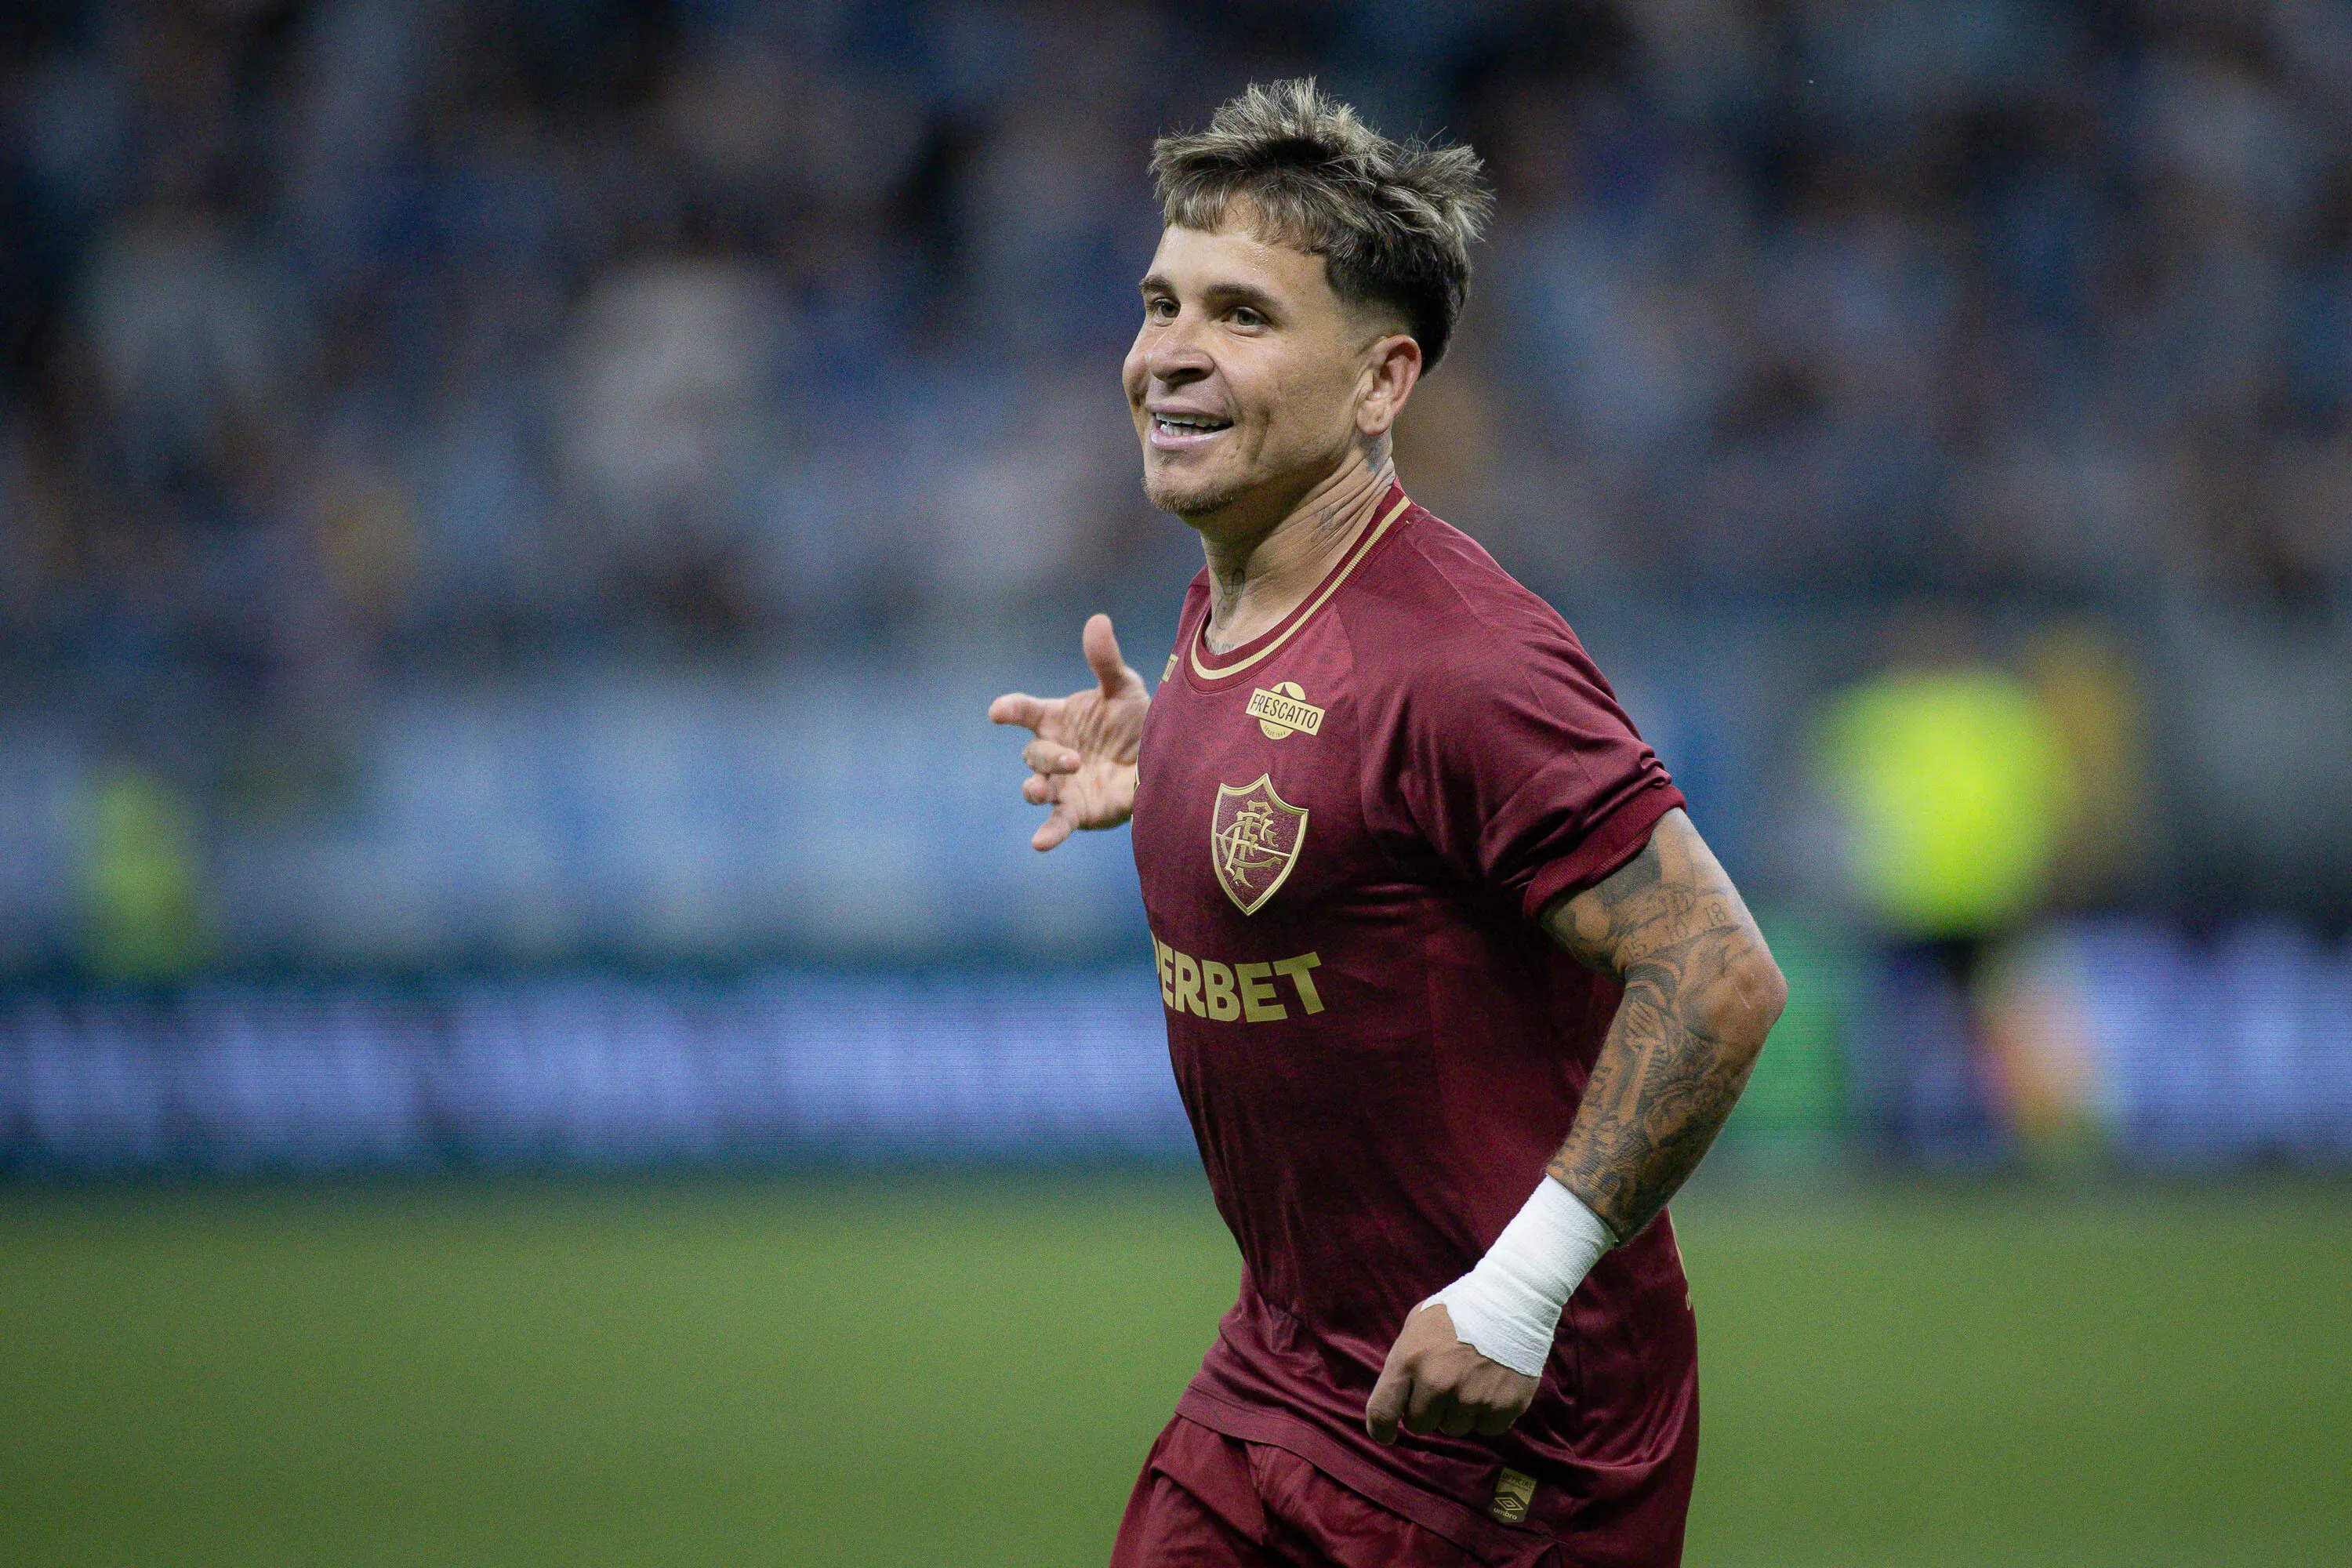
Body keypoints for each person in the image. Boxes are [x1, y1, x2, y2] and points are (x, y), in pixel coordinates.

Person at [989, 81, 1786, 1568]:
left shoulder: (1463, 658)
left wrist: (1518, 1292)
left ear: (1381, 383)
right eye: (1161, 301)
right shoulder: (1239, 588)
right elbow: (1350, 813)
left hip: (1494, 1433)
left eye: (1241, 316)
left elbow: (1720, 972)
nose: (1168, 352)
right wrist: (1168, 759)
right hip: (1281, 1371)